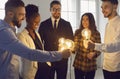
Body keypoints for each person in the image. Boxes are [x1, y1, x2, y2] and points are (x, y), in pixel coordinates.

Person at [0, 0, 71, 79]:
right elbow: (29, 53)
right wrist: (60, 54)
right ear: (10, 14)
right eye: (21, 15)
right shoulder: (4, 32)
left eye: (24, 15)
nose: (23, 18)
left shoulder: (11, 30)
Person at [36, 0, 74, 79]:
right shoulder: (43, 24)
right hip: (49, 58)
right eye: (54, 9)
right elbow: (39, 42)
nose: (57, 11)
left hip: (63, 59)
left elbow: (71, 40)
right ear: (50, 10)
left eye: (59, 9)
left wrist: (70, 49)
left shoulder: (67, 24)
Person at [87, 0, 120, 79]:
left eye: (106, 7)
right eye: (102, 8)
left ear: (115, 6)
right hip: (106, 67)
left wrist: (94, 46)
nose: (102, 10)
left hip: (117, 68)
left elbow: (116, 46)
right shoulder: (108, 24)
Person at [18, 4, 43, 79]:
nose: (37, 25)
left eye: (38, 22)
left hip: (41, 72)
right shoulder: (21, 36)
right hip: (29, 73)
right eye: (35, 22)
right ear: (27, 19)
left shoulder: (37, 34)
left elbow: (42, 50)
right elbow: (29, 54)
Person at [73, 13, 101, 79]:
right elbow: (75, 47)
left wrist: (94, 53)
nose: (84, 22)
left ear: (91, 21)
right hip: (79, 63)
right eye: (83, 19)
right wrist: (72, 48)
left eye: (87, 19)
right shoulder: (77, 32)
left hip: (91, 65)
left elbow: (99, 48)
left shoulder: (96, 33)